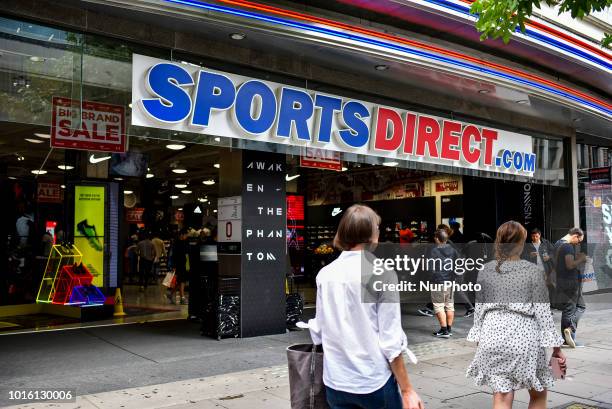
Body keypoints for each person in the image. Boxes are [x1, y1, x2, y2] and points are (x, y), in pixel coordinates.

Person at [305, 204, 423, 409]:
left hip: (335, 382)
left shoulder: (325, 274)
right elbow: (390, 341)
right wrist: (407, 389)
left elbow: (319, 331)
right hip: (373, 381)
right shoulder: (382, 273)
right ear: (371, 235)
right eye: (377, 228)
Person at [467, 221, 565, 409]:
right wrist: (556, 349)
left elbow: (479, 308)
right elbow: (543, 313)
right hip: (523, 337)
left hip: (491, 335)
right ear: (521, 243)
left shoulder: (485, 270)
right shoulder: (533, 271)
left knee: (502, 397)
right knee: (538, 393)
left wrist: (480, 338)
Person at [555, 227, 587, 348]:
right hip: (570, 282)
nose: (578, 243)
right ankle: (570, 331)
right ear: (575, 235)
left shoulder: (558, 243)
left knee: (568, 309)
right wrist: (581, 259)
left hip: (561, 281)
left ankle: (565, 339)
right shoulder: (567, 246)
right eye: (579, 240)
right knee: (580, 307)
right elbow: (569, 265)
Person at [428, 228, 460, 338]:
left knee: (439, 306)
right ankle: (449, 329)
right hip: (450, 283)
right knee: (450, 306)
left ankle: (444, 330)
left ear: (437, 239)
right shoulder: (453, 250)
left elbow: (430, 268)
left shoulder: (434, 251)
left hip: (438, 282)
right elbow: (458, 266)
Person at [522, 228, 555, 304]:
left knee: (546, 289)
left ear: (540, 235)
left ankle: (546, 307)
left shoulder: (545, 243)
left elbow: (554, 251)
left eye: (536, 236)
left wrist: (549, 257)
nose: (535, 238)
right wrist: (529, 255)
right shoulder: (527, 245)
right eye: (533, 236)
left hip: (545, 270)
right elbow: (522, 256)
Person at [169, 229, 189, 305]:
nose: (187, 236)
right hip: (178, 265)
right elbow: (174, 255)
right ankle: (182, 298)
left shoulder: (184, 242)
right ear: (181, 235)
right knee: (182, 281)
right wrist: (173, 265)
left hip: (183, 264)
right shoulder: (176, 243)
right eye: (185, 235)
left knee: (179, 281)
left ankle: (170, 294)